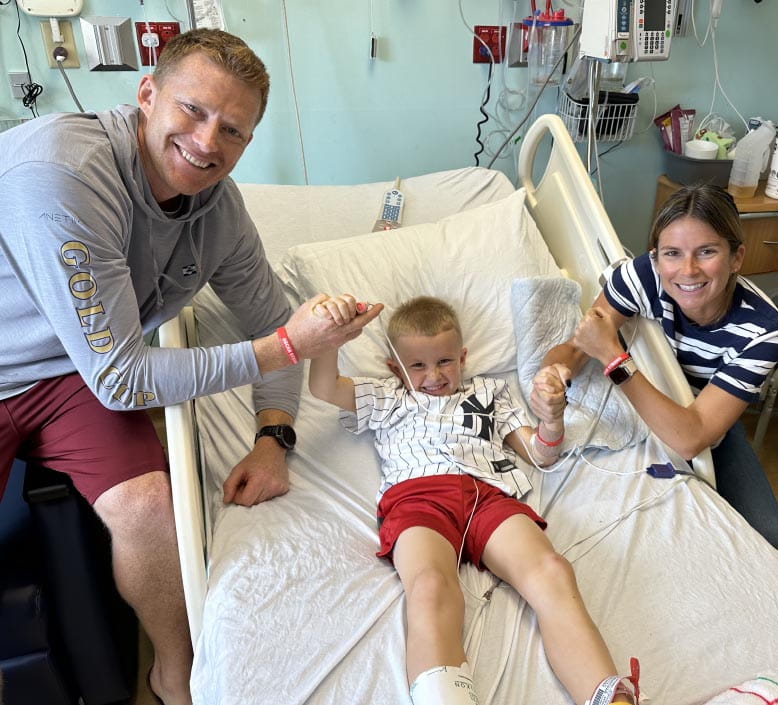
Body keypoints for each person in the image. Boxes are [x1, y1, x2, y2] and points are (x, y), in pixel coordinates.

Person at [0, 29, 380, 705]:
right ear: (147, 94)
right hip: (39, 366)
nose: (207, 143)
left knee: (151, 508)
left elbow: (269, 318)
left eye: (231, 130)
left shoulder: (217, 210)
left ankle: (174, 674)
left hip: (73, 373)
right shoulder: (65, 174)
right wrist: (289, 346)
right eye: (193, 110)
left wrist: (273, 437)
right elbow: (128, 376)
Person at [309, 294, 641, 705]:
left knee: (552, 571)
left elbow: (540, 454)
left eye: (445, 361)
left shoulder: (489, 393)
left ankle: (610, 698)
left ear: (463, 357)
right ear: (395, 368)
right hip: (417, 499)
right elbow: (323, 387)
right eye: (417, 366)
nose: (434, 375)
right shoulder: (386, 397)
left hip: (487, 496)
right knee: (430, 586)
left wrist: (552, 421)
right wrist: (331, 336)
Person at [532, 183, 778, 548]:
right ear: (655, 258)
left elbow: (691, 437)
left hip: (703, 415)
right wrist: (551, 375)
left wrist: (614, 358)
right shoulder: (641, 276)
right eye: (672, 253)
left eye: (706, 251)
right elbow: (578, 347)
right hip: (639, 402)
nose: (687, 270)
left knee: (766, 532)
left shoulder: (764, 331)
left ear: (736, 258)